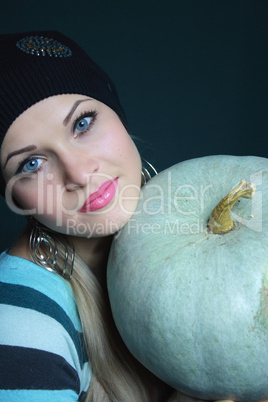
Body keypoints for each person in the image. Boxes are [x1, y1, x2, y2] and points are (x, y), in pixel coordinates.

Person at [0, 31, 259, 402]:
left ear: (117, 114)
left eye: (82, 124)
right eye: (32, 163)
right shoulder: (20, 320)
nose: (79, 174)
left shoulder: (177, 236)